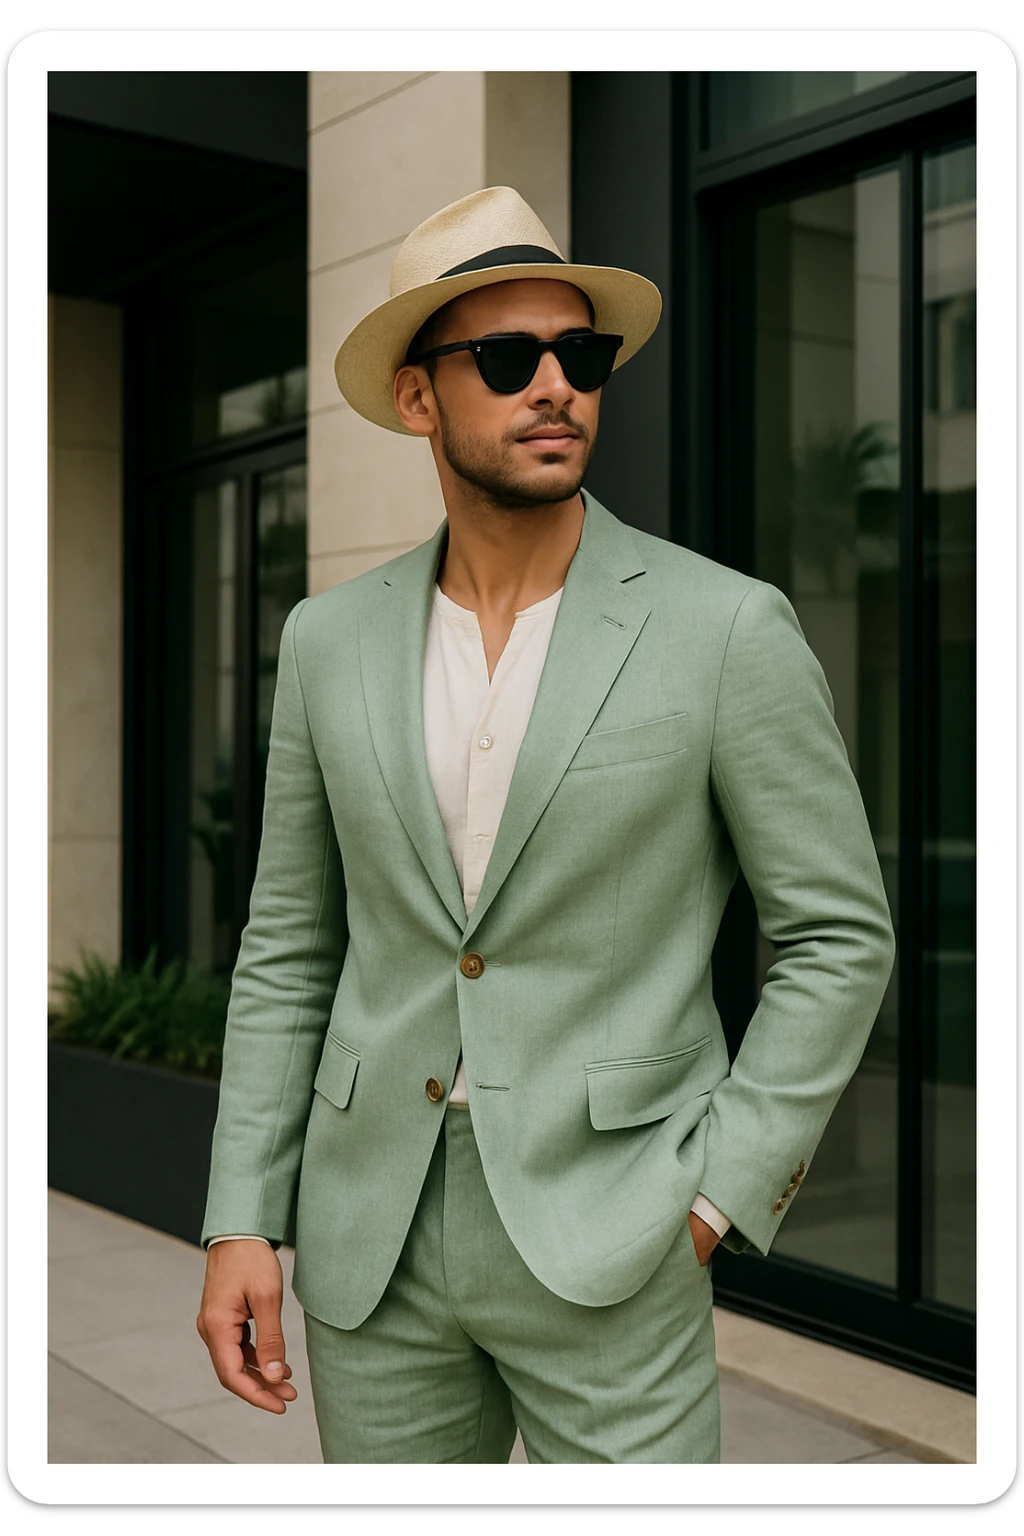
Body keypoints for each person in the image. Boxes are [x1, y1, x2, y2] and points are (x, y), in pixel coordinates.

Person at [196, 186, 896, 1464]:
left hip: (617, 1230)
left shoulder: (722, 627)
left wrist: (715, 1193)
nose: (557, 386)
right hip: (371, 1236)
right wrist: (242, 1210)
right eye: (509, 358)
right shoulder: (325, 641)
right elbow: (290, 944)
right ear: (418, 397)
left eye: (580, 354)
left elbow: (838, 935)